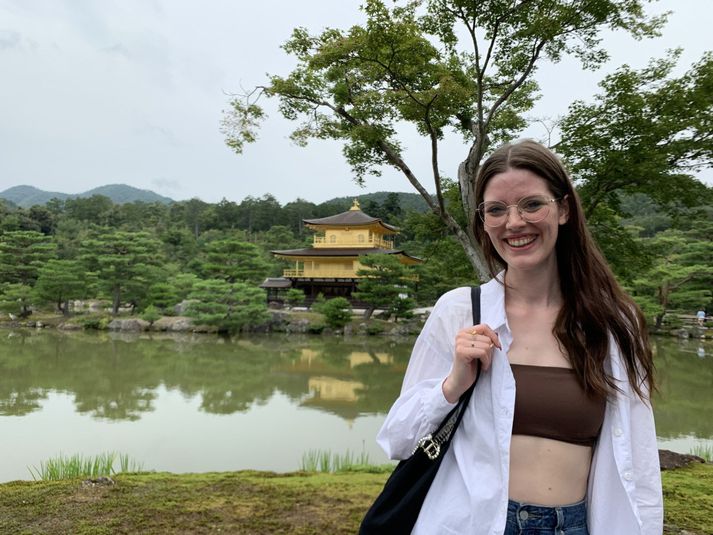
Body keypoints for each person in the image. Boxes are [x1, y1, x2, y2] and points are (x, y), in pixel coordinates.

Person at [377, 140, 662, 534]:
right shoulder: (459, 310)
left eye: (531, 204)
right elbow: (398, 440)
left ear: (563, 209)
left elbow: (640, 458)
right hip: (471, 523)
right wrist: (452, 385)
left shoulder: (614, 321)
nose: (514, 222)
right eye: (496, 210)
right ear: (483, 221)